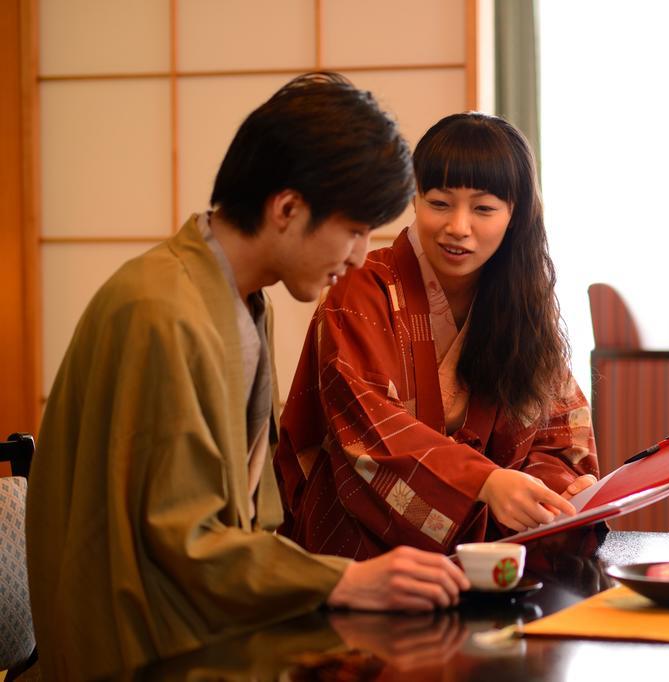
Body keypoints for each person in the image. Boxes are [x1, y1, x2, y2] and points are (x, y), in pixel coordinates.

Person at [25, 73, 469, 681]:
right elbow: (184, 539)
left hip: (197, 626)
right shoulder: (163, 311)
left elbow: (248, 514)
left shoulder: (235, 297)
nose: (362, 255)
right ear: (287, 209)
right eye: (355, 229)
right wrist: (345, 577)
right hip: (143, 647)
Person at [274, 112, 600, 560]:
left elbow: (557, 430)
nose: (458, 227)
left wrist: (555, 493)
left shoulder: (521, 303)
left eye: (483, 208)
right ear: (414, 199)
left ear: (515, 214)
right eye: (440, 203)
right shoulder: (362, 292)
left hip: (491, 554)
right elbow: (369, 429)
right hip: (360, 551)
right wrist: (484, 483)